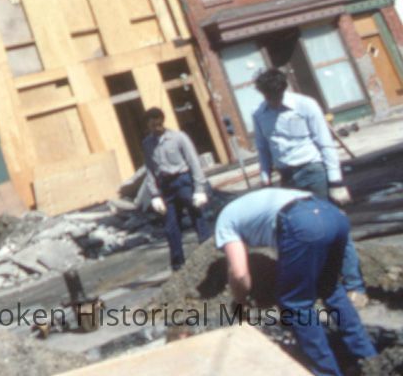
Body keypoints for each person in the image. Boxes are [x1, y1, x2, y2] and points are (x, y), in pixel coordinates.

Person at [214, 187, 377, 376]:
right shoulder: (249, 206)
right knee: (331, 289)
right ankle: (370, 360)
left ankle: (327, 372)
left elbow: (239, 273)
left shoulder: (224, 222)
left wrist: (240, 302)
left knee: (296, 303)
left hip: (300, 222)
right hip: (332, 215)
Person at [252, 67, 367, 306]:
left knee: (332, 227)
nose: (273, 101)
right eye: (268, 96)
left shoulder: (306, 106)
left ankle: (355, 286)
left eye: (276, 95)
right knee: (302, 232)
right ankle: (324, 285)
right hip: (287, 178)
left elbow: (325, 144)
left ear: (283, 89)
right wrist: (265, 178)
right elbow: (263, 149)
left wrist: (335, 181)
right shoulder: (260, 114)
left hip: (313, 172)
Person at [141, 107, 212, 271]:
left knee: (197, 217)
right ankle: (178, 265)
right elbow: (150, 169)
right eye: (152, 126)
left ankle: (210, 257)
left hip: (183, 181)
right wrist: (154, 194)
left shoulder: (179, 138)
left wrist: (199, 188)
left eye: (158, 124)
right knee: (170, 226)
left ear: (162, 121)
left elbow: (194, 162)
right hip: (165, 186)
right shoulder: (147, 144)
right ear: (148, 126)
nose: (156, 128)